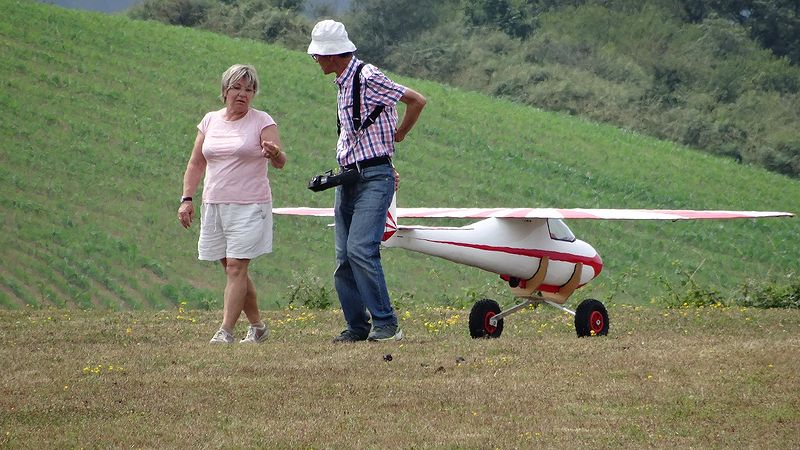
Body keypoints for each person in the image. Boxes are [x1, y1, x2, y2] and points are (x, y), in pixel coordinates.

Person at [307, 20, 426, 343]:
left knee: (360, 249)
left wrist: (399, 135)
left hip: (374, 176)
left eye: (317, 55)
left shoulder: (368, 76)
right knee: (344, 256)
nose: (315, 60)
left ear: (332, 55)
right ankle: (357, 327)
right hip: (349, 176)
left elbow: (416, 100)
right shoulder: (343, 84)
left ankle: (387, 324)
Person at [178, 64, 286, 344]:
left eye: (249, 90)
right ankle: (258, 327)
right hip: (214, 204)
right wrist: (186, 199)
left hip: (250, 205)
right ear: (225, 91)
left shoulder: (262, 121)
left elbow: (280, 161)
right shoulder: (210, 120)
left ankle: (225, 330)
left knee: (237, 267)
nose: (243, 94)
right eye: (237, 88)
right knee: (231, 268)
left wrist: (273, 153)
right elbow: (196, 162)